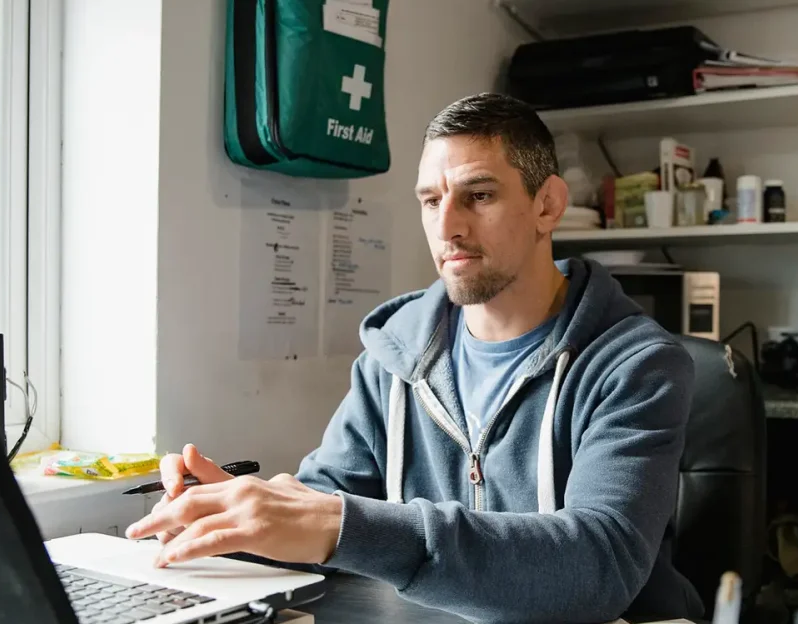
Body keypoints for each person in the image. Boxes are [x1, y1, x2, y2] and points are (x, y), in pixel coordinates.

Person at [125, 93, 704, 623]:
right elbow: (319, 508)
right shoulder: (393, 356)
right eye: (431, 200)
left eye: (478, 195)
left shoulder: (637, 364)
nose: (447, 226)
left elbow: (598, 567)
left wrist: (337, 524)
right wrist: (226, 515)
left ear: (547, 205)